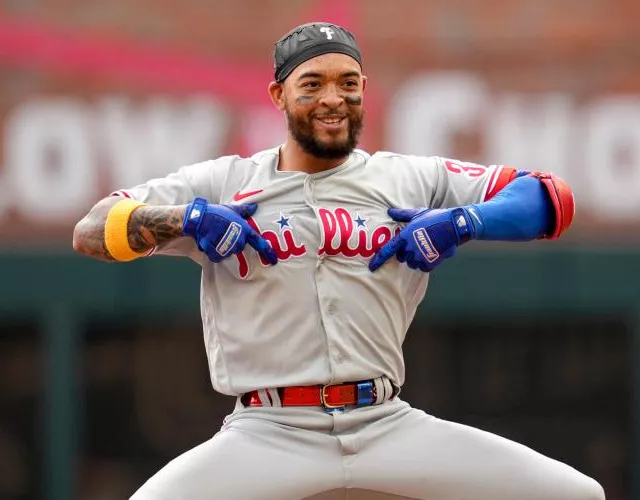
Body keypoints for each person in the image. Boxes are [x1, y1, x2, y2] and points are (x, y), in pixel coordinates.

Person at [73, 21, 604, 500]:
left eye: (348, 83)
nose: (333, 98)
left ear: (364, 91)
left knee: (576, 495)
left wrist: (462, 223)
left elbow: (550, 200)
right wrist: (188, 219)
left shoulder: (408, 178)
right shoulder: (225, 182)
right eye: (313, 84)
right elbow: (92, 230)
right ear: (279, 95)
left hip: (384, 422)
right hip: (268, 432)